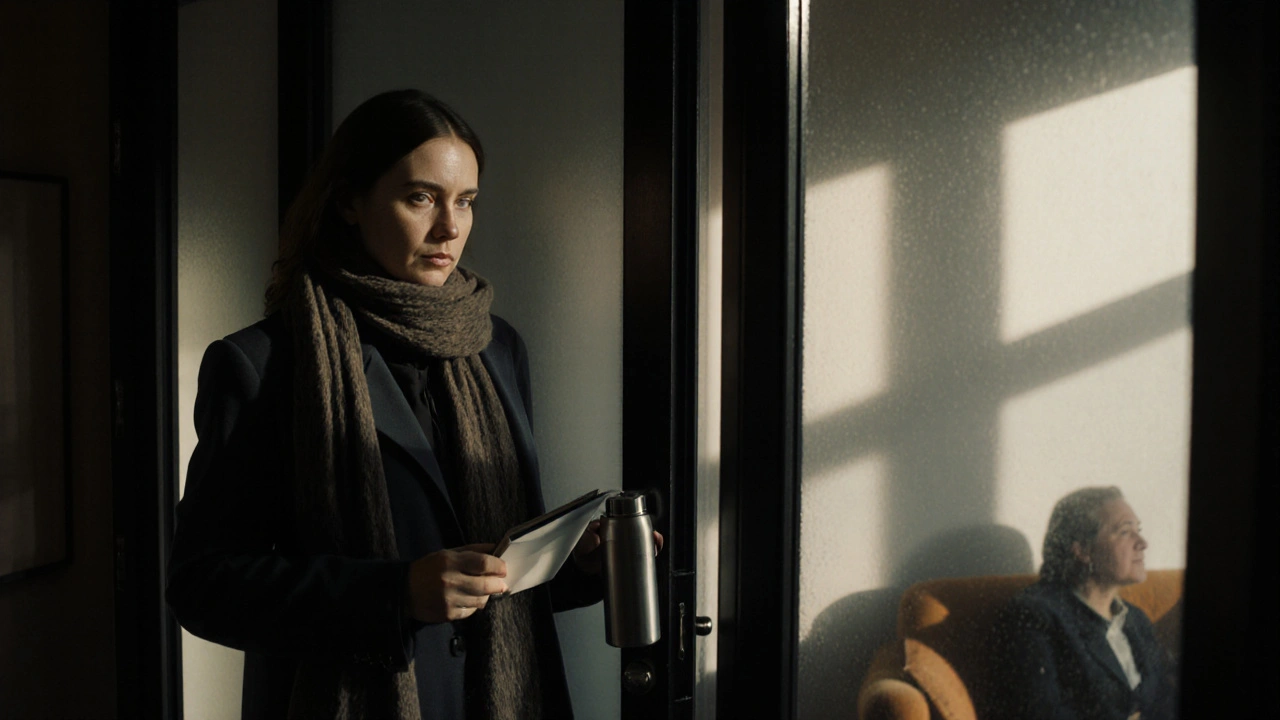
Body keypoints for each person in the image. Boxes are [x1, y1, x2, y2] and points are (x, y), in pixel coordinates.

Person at [166, 89, 654, 720]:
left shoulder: (495, 346)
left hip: (500, 697)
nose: (450, 227)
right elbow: (203, 586)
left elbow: (492, 571)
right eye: (420, 197)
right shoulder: (261, 366)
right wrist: (393, 593)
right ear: (348, 201)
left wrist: (576, 564)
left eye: (466, 201)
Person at [985, 487, 1177, 720]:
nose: (1143, 543)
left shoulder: (1136, 619)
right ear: (1083, 551)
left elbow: (1165, 702)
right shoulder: (1035, 615)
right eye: (1126, 532)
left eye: (1139, 530)